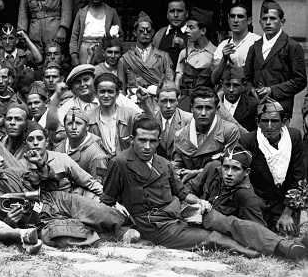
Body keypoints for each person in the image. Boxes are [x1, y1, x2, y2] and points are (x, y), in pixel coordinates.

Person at [101, 117, 307, 260]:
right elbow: (106, 203)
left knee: (229, 222)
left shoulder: (163, 163)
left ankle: (285, 247)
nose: (147, 146)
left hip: (180, 211)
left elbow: (182, 192)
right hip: (156, 226)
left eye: (152, 141)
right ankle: (271, 253)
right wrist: (124, 228)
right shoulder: (119, 163)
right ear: (132, 140)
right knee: (213, 239)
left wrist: (199, 202)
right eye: (142, 140)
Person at [22, 123, 133, 247]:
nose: (36, 143)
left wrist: (113, 202)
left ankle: (126, 227)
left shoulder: (61, 159)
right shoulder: (20, 166)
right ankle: (106, 235)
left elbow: (88, 181)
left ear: (47, 142)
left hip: (67, 201)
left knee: (98, 211)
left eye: (39, 139)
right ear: (25, 144)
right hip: (45, 212)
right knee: (60, 234)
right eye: (30, 140)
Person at [239, 98, 306, 234]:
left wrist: (287, 213)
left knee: (287, 234)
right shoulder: (248, 141)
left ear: (283, 122)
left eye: (275, 121)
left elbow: (299, 177)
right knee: (258, 235)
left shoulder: (294, 137)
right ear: (258, 122)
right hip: (260, 200)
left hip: (285, 200)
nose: (269, 126)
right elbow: (243, 177)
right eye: (265, 121)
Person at [243, 0, 307, 119]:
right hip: (256, 110)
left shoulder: (292, 46)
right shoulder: (254, 47)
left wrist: (272, 90)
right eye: (264, 19)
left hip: (281, 110)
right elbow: (246, 78)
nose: (268, 22)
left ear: (282, 21)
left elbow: (300, 81)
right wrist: (251, 90)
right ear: (259, 22)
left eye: (273, 18)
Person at [181, 146, 267, 227]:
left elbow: (258, 231)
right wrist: (199, 201)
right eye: (226, 167)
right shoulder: (212, 168)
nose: (229, 173)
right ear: (221, 166)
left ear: (247, 172)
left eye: (235, 168)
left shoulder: (247, 197)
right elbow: (186, 191)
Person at [172, 86, 240, 182]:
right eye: (199, 108)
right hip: (189, 186)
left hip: (219, 185)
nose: (203, 113)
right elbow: (177, 166)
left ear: (217, 109)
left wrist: (196, 172)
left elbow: (231, 167)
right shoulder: (180, 135)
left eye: (208, 108)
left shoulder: (229, 131)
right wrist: (180, 173)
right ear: (191, 108)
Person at [86, 73, 141, 160]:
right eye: (102, 91)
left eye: (110, 92)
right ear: (95, 94)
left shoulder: (130, 115)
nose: (106, 96)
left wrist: (145, 103)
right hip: (99, 167)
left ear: (117, 94)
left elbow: (151, 127)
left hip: (126, 166)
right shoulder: (87, 117)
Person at [69, 0, 122, 67]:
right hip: (84, 50)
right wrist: (74, 56)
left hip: (104, 50)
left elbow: (120, 35)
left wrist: (113, 49)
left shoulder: (111, 12)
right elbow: (74, 37)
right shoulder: (82, 13)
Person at [138, 81, 193, 160]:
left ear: (178, 101)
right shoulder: (150, 118)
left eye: (172, 101)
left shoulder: (188, 120)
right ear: (157, 101)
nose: (168, 106)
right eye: (164, 101)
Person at [120, 11, 174, 89]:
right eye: (141, 31)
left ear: (152, 32)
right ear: (135, 33)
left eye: (148, 31)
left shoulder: (164, 57)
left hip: (156, 99)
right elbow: (121, 88)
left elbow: (170, 84)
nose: (145, 33)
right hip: (132, 99)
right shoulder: (125, 59)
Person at [211, 3, 261, 85]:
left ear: (249, 20)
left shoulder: (257, 41)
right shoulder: (223, 45)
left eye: (240, 16)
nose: (235, 20)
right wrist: (224, 60)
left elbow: (253, 75)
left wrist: (228, 68)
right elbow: (214, 80)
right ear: (228, 20)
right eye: (232, 16)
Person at [174, 12, 217, 110]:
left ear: (203, 31)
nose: (186, 31)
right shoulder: (184, 53)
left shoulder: (215, 53)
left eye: (191, 27)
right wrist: (177, 98)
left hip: (205, 103)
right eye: (187, 27)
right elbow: (178, 79)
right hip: (185, 102)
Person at [55, 107, 108, 182]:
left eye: (78, 123)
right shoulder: (58, 149)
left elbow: (98, 189)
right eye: (69, 123)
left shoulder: (97, 156)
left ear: (87, 127)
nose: (73, 127)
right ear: (64, 126)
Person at [152, 0, 188, 74]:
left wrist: (184, 48)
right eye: (172, 11)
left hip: (185, 82)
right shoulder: (160, 33)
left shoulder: (192, 33)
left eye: (179, 11)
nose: (175, 15)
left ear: (186, 14)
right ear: (167, 15)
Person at [220, 66, 258, 133]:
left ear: (243, 85)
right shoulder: (213, 104)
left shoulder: (254, 105)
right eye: (227, 85)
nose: (231, 90)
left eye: (236, 85)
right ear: (222, 84)